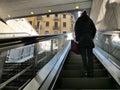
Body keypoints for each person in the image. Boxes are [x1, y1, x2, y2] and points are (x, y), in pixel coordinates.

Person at [74, 11, 96, 77]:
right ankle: (91, 72)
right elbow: (94, 30)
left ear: (81, 15)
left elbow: (76, 30)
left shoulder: (78, 20)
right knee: (90, 57)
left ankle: (86, 71)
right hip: (89, 39)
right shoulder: (90, 20)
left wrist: (77, 39)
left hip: (82, 40)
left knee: (84, 57)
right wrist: (91, 37)